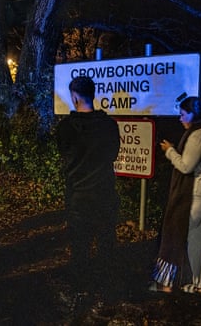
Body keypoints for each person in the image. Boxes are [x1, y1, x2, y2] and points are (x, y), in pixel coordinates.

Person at [57, 76, 120, 290]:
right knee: (105, 242)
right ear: (93, 95)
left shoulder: (66, 127)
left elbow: (64, 154)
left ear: (74, 97)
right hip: (104, 192)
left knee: (80, 244)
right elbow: (113, 154)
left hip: (78, 195)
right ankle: (106, 286)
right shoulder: (110, 126)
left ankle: (81, 285)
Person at [149, 96, 201, 294]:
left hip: (192, 195)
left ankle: (164, 282)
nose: (180, 118)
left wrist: (170, 151)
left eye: (183, 114)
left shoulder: (197, 135)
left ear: (194, 113)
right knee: (198, 241)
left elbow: (185, 166)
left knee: (173, 237)